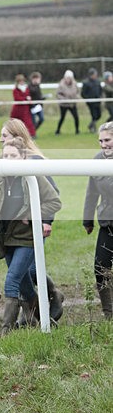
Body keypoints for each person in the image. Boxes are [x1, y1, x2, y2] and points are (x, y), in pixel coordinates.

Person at [0, 138, 62, 335]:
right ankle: (45, 321)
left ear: (23, 157)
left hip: (27, 238)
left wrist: (32, 216)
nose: (8, 159)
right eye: (5, 155)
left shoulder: (33, 176)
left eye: (13, 155)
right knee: (25, 284)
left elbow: (54, 202)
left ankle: (7, 330)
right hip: (5, 238)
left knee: (12, 280)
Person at [0, 118, 65, 321]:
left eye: (4, 136)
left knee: (28, 269)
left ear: (17, 137)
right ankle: (34, 307)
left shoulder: (34, 161)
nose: (0, 140)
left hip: (34, 225)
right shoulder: (6, 158)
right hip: (13, 229)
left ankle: (48, 296)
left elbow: (52, 193)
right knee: (24, 270)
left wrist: (46, 220)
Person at [82, 121, 113, 318]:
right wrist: (88, 219)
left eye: (107, 140)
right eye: (101, 141)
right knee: (100, 267)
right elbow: (91, 192)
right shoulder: (97, 160)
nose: (103, 145)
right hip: (107, 223)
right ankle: (108, 311)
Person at [55, 70, 79, 135]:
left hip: (72, 104)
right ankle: (57, 131)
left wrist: (76, 98)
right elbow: (58, 94)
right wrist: (64, 99)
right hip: (64, 105)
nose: (68, 79)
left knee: (76, 117)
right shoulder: (61, 84)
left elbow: (77, 92)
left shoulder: (74, 84)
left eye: (69, 78)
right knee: (62, 118)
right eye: (67, 78)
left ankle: (77, 130)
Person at [81, 67, 103, 132]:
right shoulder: (86, 83)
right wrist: (87, 99)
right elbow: (83, 93)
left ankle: (90, 125)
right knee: (94, 115)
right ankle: (94, 129)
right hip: (91, 102)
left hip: (97, 101)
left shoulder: (98, 81)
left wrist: (100, 96)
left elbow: (100, 90)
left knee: (99, 115)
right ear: (91, 75)